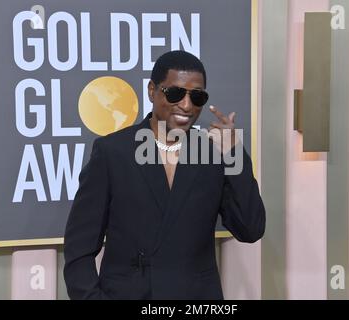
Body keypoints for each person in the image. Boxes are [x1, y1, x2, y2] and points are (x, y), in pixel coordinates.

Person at [63, 50, 265, 300]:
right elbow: (78, 250)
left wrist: (234, 154)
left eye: (197, 97)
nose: (187, 105)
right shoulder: (112, 152)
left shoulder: (214, 153)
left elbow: (251, 228)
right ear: (152, 91)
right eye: (175, 93)